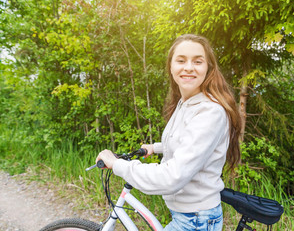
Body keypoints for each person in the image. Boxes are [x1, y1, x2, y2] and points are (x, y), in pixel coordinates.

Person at [96, 34, 241, 230]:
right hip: (189, 215)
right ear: (171, 67)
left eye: (197, 61)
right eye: (181, 60)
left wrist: (117, 165)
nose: (188, 67)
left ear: (208, 68)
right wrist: (155, 148)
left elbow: (173, 176)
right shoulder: (186, 103)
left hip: (195, 220)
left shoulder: (209, 112)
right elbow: (189, 143)